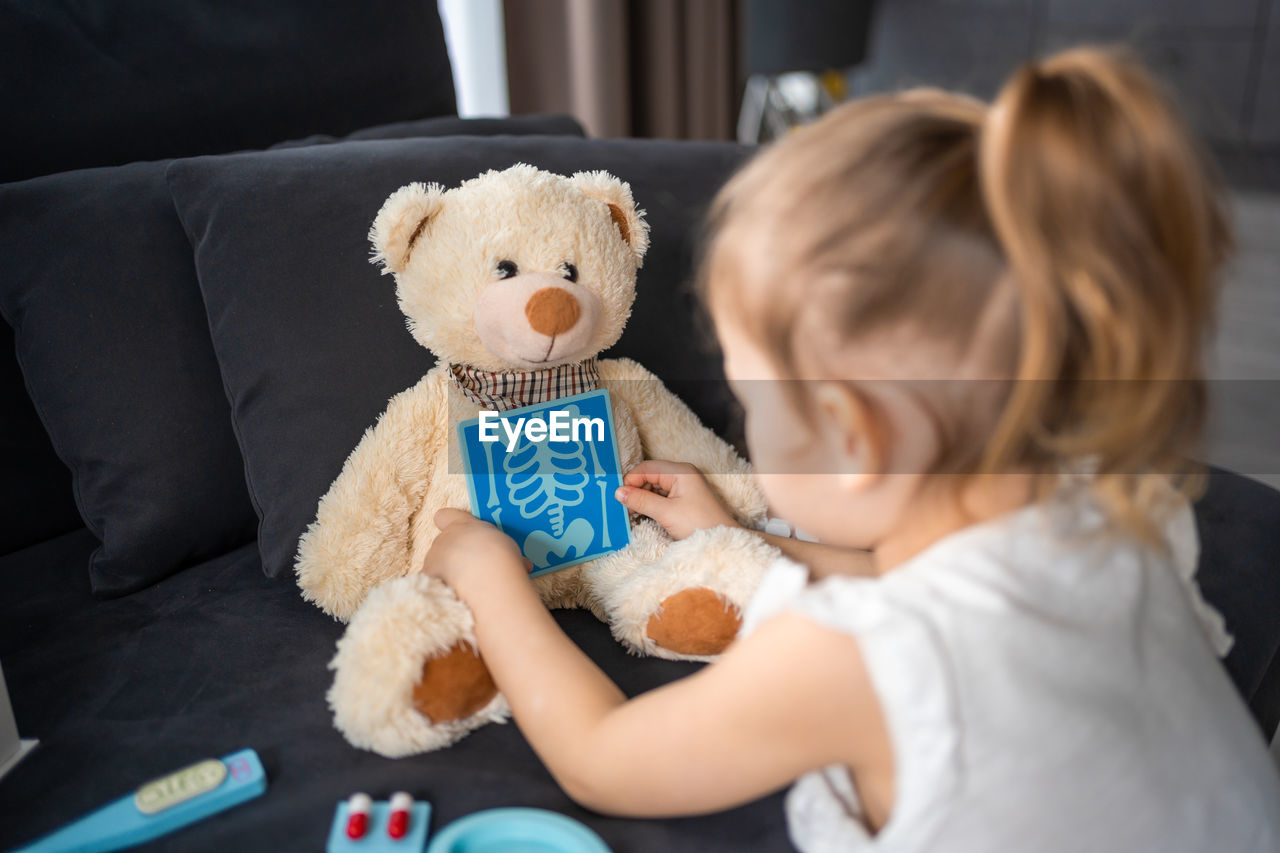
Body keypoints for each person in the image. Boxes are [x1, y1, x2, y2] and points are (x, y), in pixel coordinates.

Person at [421, 46, 1280, 851]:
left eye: (753, 399)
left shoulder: (859, 658)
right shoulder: (1099, 512)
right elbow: (924, 581)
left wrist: (490, 574)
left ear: (853, 438)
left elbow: (602, 758)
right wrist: (738, 536)